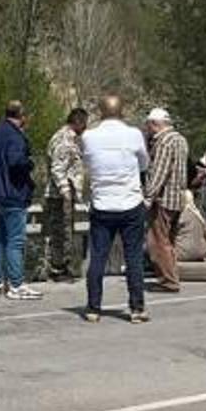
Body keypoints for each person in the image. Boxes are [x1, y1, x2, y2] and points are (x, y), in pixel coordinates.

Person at [80, 95, 151, 324]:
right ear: (122, 110)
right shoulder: (133, 134)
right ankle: (137, 308)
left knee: (98, 257)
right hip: (130, 202)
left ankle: (93, 307)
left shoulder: (89, 137)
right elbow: (144, 163)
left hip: (102, 203)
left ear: (100, 111)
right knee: (133, 257)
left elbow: (88, 163)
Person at [0, 100, 42, 300]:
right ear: (22, 116)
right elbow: (16, 162)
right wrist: (29, 163)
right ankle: (16, 285)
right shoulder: (15, 137)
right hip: (13, 193)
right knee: (15, 240)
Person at [142, 107, 189, 293]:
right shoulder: (180, 139)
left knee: (158, 241)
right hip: (177, 197)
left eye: (148, 125)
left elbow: (159, 172)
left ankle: (168, 280)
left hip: (163, 199)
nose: (147, 129)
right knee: (169, 240)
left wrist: (148, 197)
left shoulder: (163, 142)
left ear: (155, 124)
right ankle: (172, 275)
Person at [43, 108, 89, 281]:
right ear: (78, 122)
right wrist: (66, 191)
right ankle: (58, 268)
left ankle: (63, 266)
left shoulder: (67, 138)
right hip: (60, 195)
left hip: (63, 193)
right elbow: (57, 168)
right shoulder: (64, 140)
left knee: (65, 232)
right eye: (84, 123)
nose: (84, 128)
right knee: (61, 232)